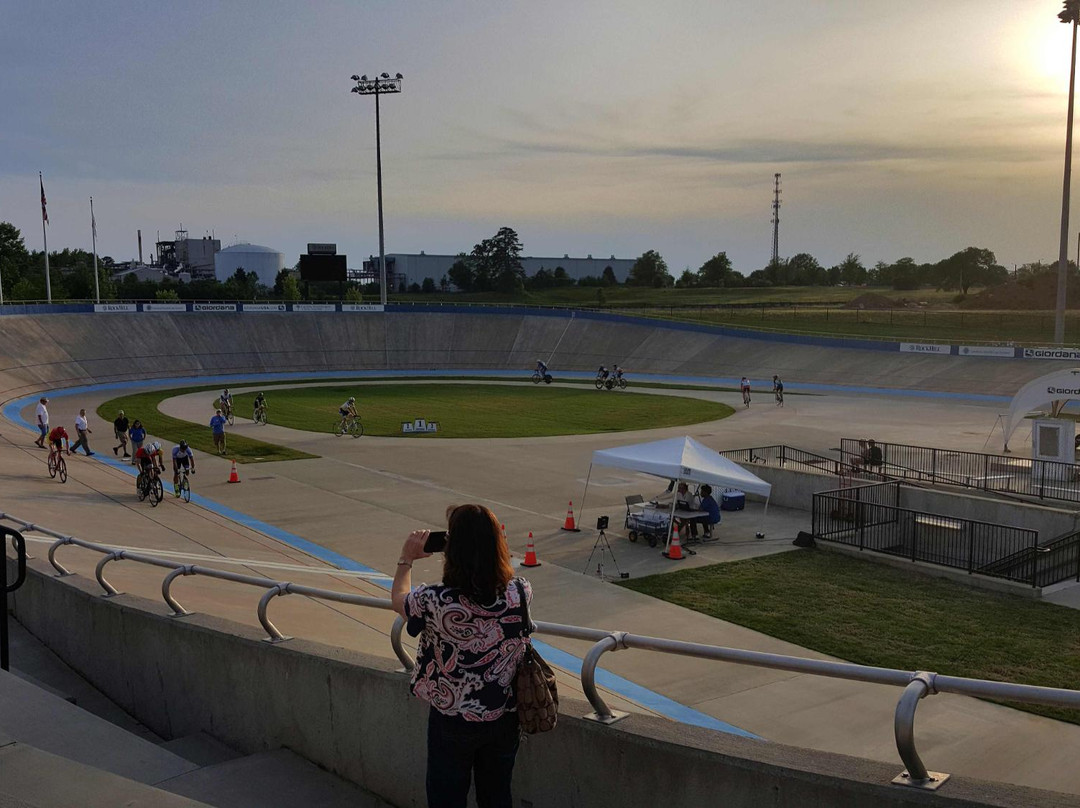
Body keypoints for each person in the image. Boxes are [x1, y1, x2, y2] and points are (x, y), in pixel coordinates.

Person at [392, 504, 531, 808]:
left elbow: (399, 599)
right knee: (497, 796)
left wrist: (406, 558)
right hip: (504, 715)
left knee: (446, 797)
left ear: (452, 549)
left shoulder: (435, 601)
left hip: (453, 717)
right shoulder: (520, 592)